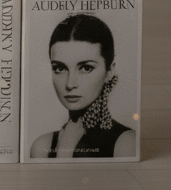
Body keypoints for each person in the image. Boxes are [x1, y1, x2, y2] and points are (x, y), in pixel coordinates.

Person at [29, 13, 137, 159]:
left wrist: (64, 152)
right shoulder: (42, 146)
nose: (70, 84)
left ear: (109, 71)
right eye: (60, 68)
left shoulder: (126, 143)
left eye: (86, 68)